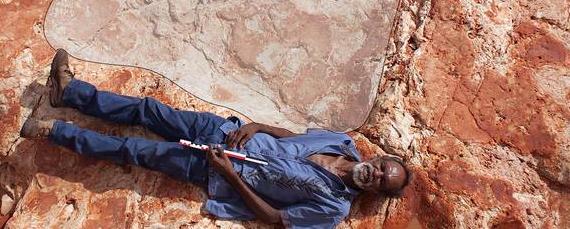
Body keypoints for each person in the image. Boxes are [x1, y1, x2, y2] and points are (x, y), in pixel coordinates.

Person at [21, 49, 411, 228]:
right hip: (222, 130)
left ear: (376, 192)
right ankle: (69, 93)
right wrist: (258, 126)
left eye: (381, 182)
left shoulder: (334, 209)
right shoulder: (341, 142)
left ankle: (54, 131)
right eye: (381, 168)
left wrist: (230, 173)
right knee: (147, 110)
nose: (375, 174)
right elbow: (294, 138)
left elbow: (276, 217)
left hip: (214, 169)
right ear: (378, 159)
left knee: (134, 150)